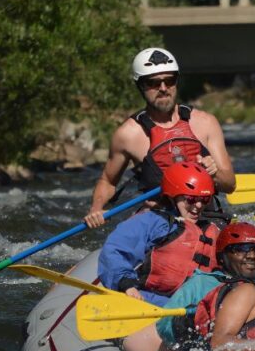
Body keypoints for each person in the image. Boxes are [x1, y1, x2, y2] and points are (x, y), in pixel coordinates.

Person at [85, 48, 235, 228]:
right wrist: (96, 208)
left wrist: (214, 173)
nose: (163, 89)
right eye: (154, 83)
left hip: (204, 217)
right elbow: (108, 181)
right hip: (158, 221)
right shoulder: (128, 135)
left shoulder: (206, 123)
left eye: (169, 81)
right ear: (141, 86)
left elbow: (230, 184)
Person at [98, 162, 219, 307]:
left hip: (195, 309)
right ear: (173, 196)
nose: (198, 206)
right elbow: (114, 251)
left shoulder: (212, 229)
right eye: (191, 199)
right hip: (150, 302)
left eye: (204, 200)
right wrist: (127, 285)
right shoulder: (151, 222)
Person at [155, 221, 255, 351]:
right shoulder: (200, 283)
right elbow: (163, 324)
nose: (252, 256)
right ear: (221, 256)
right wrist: (186, 323)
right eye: (241, 249)